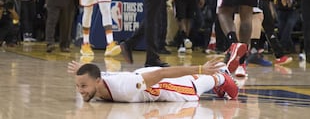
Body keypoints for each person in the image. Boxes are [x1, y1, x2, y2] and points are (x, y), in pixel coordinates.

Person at [67, 57, 239, 102]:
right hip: (142, 76)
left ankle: (220, 77)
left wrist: (201, 69)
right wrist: (84, 68)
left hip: (157, 84)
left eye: (83, 86)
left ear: (96, 82)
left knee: (192, 89)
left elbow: (163, 73)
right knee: (190, 81)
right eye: (78, 86)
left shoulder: (124, 88)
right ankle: (221, 67)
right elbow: (98, 73)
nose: (80, 90)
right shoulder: (96, 80)